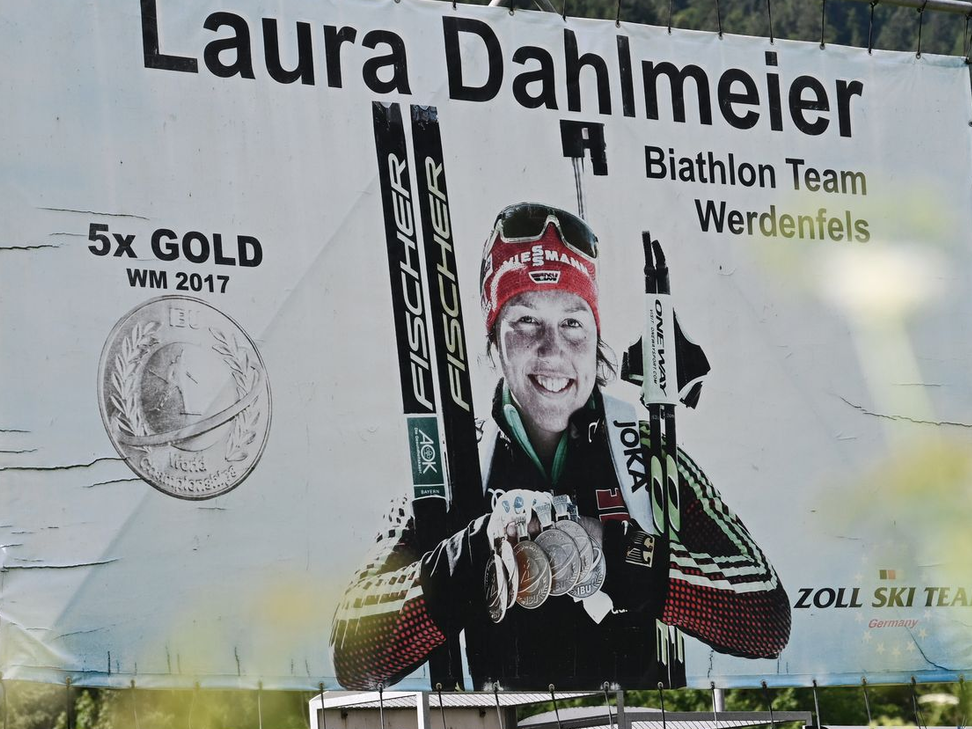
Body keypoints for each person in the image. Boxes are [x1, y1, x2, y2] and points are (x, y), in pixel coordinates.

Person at [331, 202, 790, 690]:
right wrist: (476, 554)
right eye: (526, 321)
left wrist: (615, 553)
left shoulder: (643, 451)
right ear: (495, 341)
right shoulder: (453, 466)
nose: (552, 350)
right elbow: (354, 655)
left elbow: (765, 619)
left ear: (596, 338)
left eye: (573, 323)